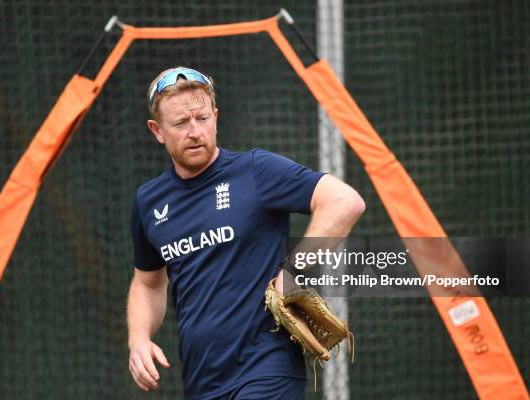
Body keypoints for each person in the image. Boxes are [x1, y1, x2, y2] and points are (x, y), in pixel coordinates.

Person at [127, 66, 365, 399]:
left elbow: (344, 202)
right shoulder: (150, 201)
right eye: (181, 123)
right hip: (202, 379)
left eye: (203, 118)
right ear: (158, 130)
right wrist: (138, 339)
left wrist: (293, 271)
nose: (195, 131)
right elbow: (147, 283)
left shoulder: (256, 171)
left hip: (268, 368)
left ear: (216, 116)